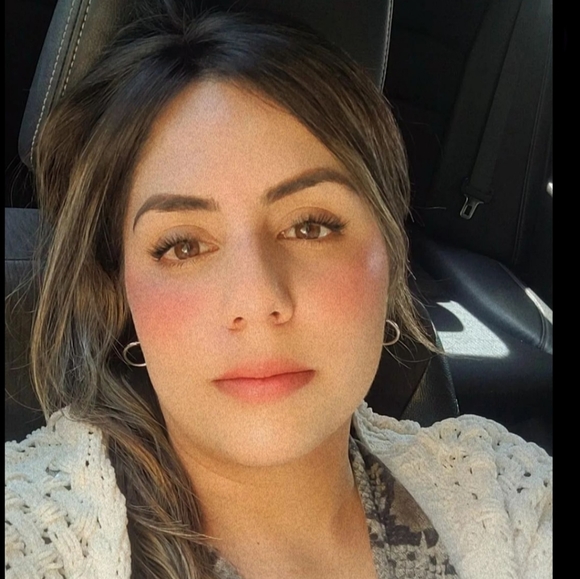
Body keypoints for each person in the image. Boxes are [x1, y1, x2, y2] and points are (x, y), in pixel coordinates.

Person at [5, 3, 552, 579]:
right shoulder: (31, 533)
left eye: (310, 227)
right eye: (183, 246)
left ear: (389, 255)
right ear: (121, 295)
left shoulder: (505, 498)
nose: (257, 299)